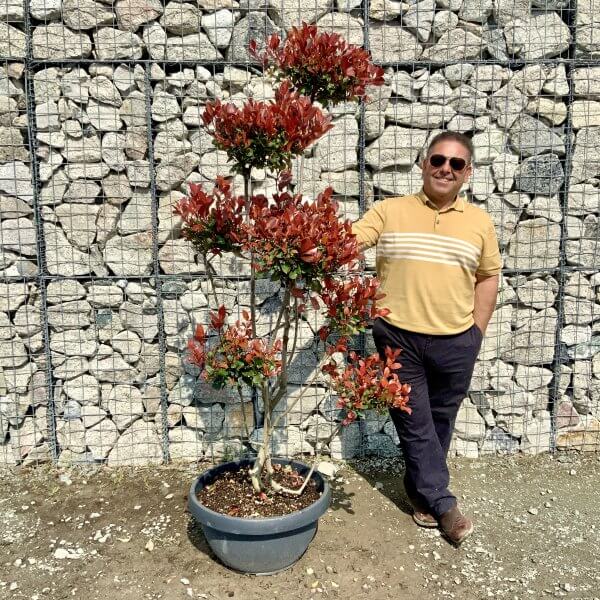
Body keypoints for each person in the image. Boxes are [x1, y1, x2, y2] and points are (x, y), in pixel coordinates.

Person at [352, 131, 501, 545]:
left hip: (457, 342)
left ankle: (419, 496)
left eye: (456, 164)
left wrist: (477, 332)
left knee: (439, 422)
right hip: (398, 337)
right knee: (415, 423)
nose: (445, 169)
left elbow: (488, 276)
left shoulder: (479, 222)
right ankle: (444, 504)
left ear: (467, 173)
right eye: (438, 160)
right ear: (423, 163)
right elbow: (352, 241)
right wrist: (312, 245)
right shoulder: (389, 211)